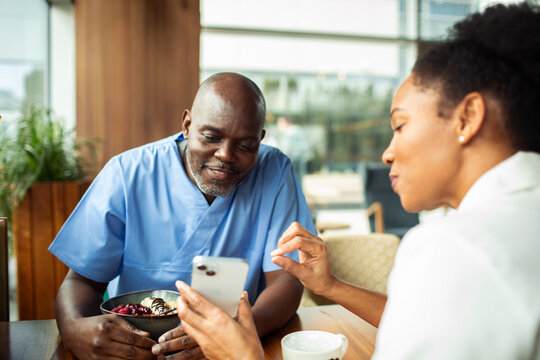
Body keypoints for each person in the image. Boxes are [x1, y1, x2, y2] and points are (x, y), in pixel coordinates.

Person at [172, 3, 540, 359]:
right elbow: (427, 320)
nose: (387, 153)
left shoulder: (452, 247)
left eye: (400, 125)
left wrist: (243, 354)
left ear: (468, 117)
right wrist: (331, 287)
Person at [48, 72, 316, 359]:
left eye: (246, 145)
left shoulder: (274, 172)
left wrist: (234, 332)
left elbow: (286, 280)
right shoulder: (127, 173)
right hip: (135, 350)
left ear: (260, 140)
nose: (225, 154)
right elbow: (81, 281)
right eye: (211, 137)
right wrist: (74, 329)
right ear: (187, 125)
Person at [276, 116, 311, 186]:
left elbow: (286, 148)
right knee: (299, 178)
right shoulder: (299, 130)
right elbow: (305, 145)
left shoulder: (288, 133)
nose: (279, 125)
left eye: (280, 123)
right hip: (301, 157)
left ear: (287, 122)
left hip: (291, 158)